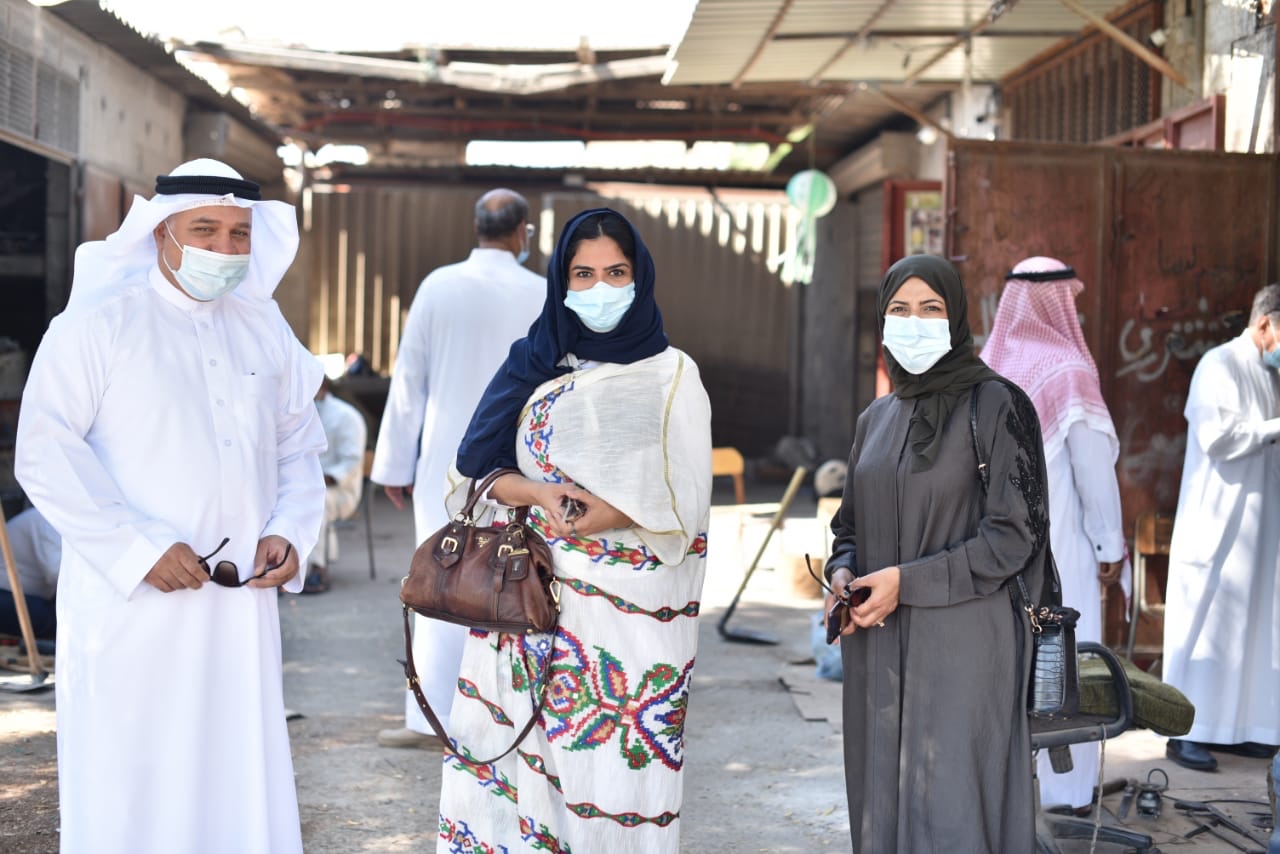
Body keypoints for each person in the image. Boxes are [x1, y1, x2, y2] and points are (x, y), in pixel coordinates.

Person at [14, 158, 326, 854]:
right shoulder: (98, 324)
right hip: (132, 606)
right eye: (205, 230)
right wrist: (139, 548)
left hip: (238, 609)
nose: (225, 248)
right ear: (161, 233)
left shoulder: (264, 327)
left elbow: (300, 449)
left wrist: (289, 530)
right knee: (134, 777)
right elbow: (43, 451)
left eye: (239, 234)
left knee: (234, 774)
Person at [434, 207, 712, 852]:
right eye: (583, 274)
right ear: (561, 281)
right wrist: (539, 494)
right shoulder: (533, 360)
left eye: (616, 272)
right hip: (525, 601)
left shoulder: (672, 375)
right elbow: (475, 473)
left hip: (625, 627)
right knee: (515, 768)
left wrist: (597, 513)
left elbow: (683, 494)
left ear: (640, 277)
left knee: (607, 770)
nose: (600, 288)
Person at [825, 254, 1054, 852]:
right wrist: (842, 572)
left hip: (964, 644)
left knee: (951, 803)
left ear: (955, 318)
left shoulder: (998, 405)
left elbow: (1016, 534)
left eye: (931, 309)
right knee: (881, 795)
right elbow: (849, 526)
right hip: (879, 646)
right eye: (900, 310)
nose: (914, 323)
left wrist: (908, 582)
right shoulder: (876, 418)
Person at [370, 188, 544, 748]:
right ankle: (514, 718)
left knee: (441, 575)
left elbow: (410, 378)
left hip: (446, 462)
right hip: (521, 460)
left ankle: (430, 720)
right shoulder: (542, 292)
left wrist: (394, 465)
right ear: (521, 232)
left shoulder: (437, 286)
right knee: (517, 576)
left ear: (476, 229)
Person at [980, 256, 1127, 813]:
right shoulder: (1068, 371)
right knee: (1062, 667)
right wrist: (1110, 546)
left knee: (1007, 668)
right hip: (1060, 551)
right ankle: (1065, 795)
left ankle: (1007, 797)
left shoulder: (987, 368)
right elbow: (1094, 475)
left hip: (995, 556)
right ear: (1058, 303)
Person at [1162, 283, 1280, 772]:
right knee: (1207, 630)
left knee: (1254, 631)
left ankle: (1241, 729)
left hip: (1259, 531)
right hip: (1217, 528)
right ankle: (1186, 732)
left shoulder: (1269, 375)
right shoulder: (1219, 365)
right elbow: (1219, 438)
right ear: (1266, 323)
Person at [301, 375, 368, 593]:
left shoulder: (345, 416)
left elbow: (351, 462)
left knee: (315, 502)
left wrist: (320, 479)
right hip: (304, 486)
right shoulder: (298, 415)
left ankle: (317, 569)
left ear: (322, 385)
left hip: (340, 491)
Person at [0, 506, 61, 640]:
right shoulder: (48, 519)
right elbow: (57, 574)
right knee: (60, 620)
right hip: (5, 595)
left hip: (23, 596)